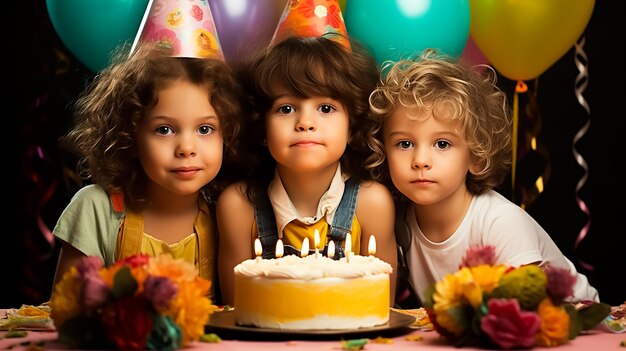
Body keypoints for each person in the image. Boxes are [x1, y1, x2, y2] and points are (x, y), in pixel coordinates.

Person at [368, 49, 599, 307]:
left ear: (476, 157)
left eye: (442, 144)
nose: (421, 160)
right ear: (383, 151)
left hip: (575, 326)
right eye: (404, 143)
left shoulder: (500, 222)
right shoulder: (400, 222)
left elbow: (526, 312)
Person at [51, 43, 243, 303]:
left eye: (205, 129)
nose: (187, 148)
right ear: (129, 136)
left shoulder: (229, 213)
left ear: (226, 135)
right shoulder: (97, 209)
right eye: (164, 130)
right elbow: (68, 314)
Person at [216, 35, 397, 306]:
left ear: (352, 126)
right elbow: (234, 309)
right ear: (261, 128)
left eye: (326, 108)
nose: (305, 122)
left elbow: (383, 306)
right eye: (286, 108)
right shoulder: (238, 206)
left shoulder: (372, 204)